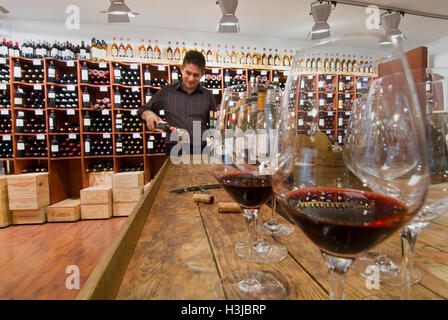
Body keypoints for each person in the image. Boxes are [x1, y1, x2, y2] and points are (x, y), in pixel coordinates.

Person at [138, 50, 216, 154]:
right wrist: (148, 114)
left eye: (196, 75)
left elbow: (213, 125)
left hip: (201, 149)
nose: (191, 78)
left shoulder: (208, 95)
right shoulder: (167, 91)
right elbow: (143, 110)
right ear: (181, 69)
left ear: (202, 75)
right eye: (188, 73)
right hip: (175, 149)